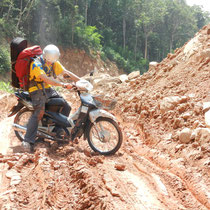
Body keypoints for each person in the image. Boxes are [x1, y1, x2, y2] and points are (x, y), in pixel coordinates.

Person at [22, 44, 80, 152]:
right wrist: (63, 85)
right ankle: (28, 140)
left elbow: (65, 72)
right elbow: (47, 80)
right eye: (49, 61)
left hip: (47, 88)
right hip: (36, 89)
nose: (50, 63)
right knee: (39, 112)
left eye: (52, 62)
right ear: (46, 57)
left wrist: (81, 81)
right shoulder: (36, 64)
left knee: (65, 105)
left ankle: (57, 130)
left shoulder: (53, 63)